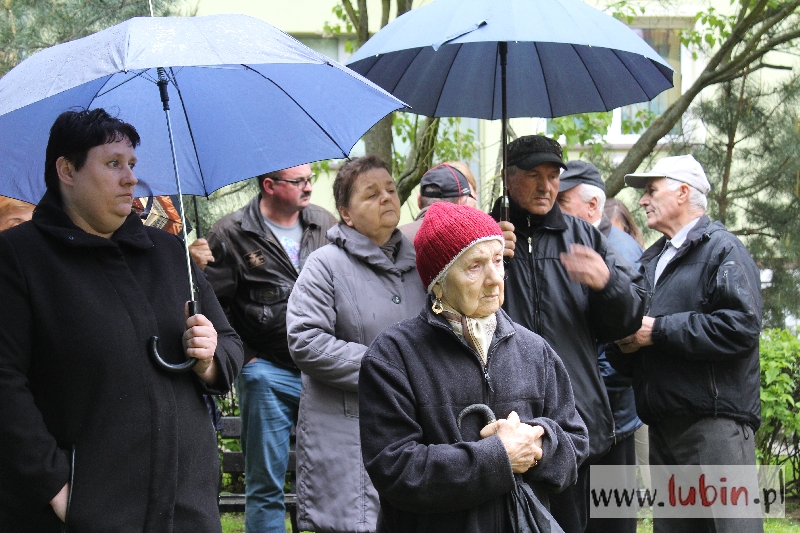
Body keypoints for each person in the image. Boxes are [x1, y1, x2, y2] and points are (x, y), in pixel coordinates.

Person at [0, 108, 243, 532]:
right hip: (87, 513)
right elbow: (4, 383)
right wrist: (55, 487)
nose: (130, 177)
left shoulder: (168, 254)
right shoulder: (19, 258)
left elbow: (229, 341)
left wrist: (210, 359)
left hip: (187, 510)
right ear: (67, 170)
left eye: (132, 164)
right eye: (112, 164)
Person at [359, 202, 589, 533]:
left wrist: (538, 444)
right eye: (474, 267)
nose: (495, 280)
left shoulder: (534, 350)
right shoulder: (393, 356)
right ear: (438, 283)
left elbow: (575, 443)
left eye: (498, 261)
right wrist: (498, 458)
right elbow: (395, 468)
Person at [491, 135, 645, 533]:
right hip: (513, 421)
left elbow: (626, 322)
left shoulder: (585, 237)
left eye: (553, 176)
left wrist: (606, 283)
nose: (546, 187)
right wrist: (489, 257)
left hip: (584, 419)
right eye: (533, 175)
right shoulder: (485, 236)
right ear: (508, 178)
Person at [613, 155, 763, 533]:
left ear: (683, 192)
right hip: (663, 427)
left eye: (651, 190)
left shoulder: (724, 250)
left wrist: (656, 331)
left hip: (714, 428)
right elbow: (640, 339)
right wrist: (624, 343)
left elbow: (741, 327)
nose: (642, 201)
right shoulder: (651, 261)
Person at [286, 155, 427, 533]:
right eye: (371, 194)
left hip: (414, 432)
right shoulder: (324, 265)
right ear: (346, 214)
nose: (387, 198)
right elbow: (305, 340)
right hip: (346, 433)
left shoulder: (423, 264)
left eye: (391, 190)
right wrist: (386, 369)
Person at [201, 164, 336, 533]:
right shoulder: (230, 233)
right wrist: (245, 358)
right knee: (265, 486)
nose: (308, 187)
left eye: (311, 180)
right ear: (269, 186)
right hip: (268, 375)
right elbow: (214, 304)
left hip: (324, 370)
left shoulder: (325, 223)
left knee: (337, 479)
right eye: (299, 181)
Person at [556, 160, 643, 533]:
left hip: (612, 419)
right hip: (589, 416)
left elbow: (624, 340)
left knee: (611, 520)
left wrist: (592, 390)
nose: (552, 209)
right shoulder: (573, 243)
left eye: (562, 200)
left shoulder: (617, 251)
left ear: (592, 207)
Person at [398, 162, 477, 241]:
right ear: (461, 202)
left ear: (419, 200)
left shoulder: (395, 238)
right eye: (468, 196)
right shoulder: (475, 239)